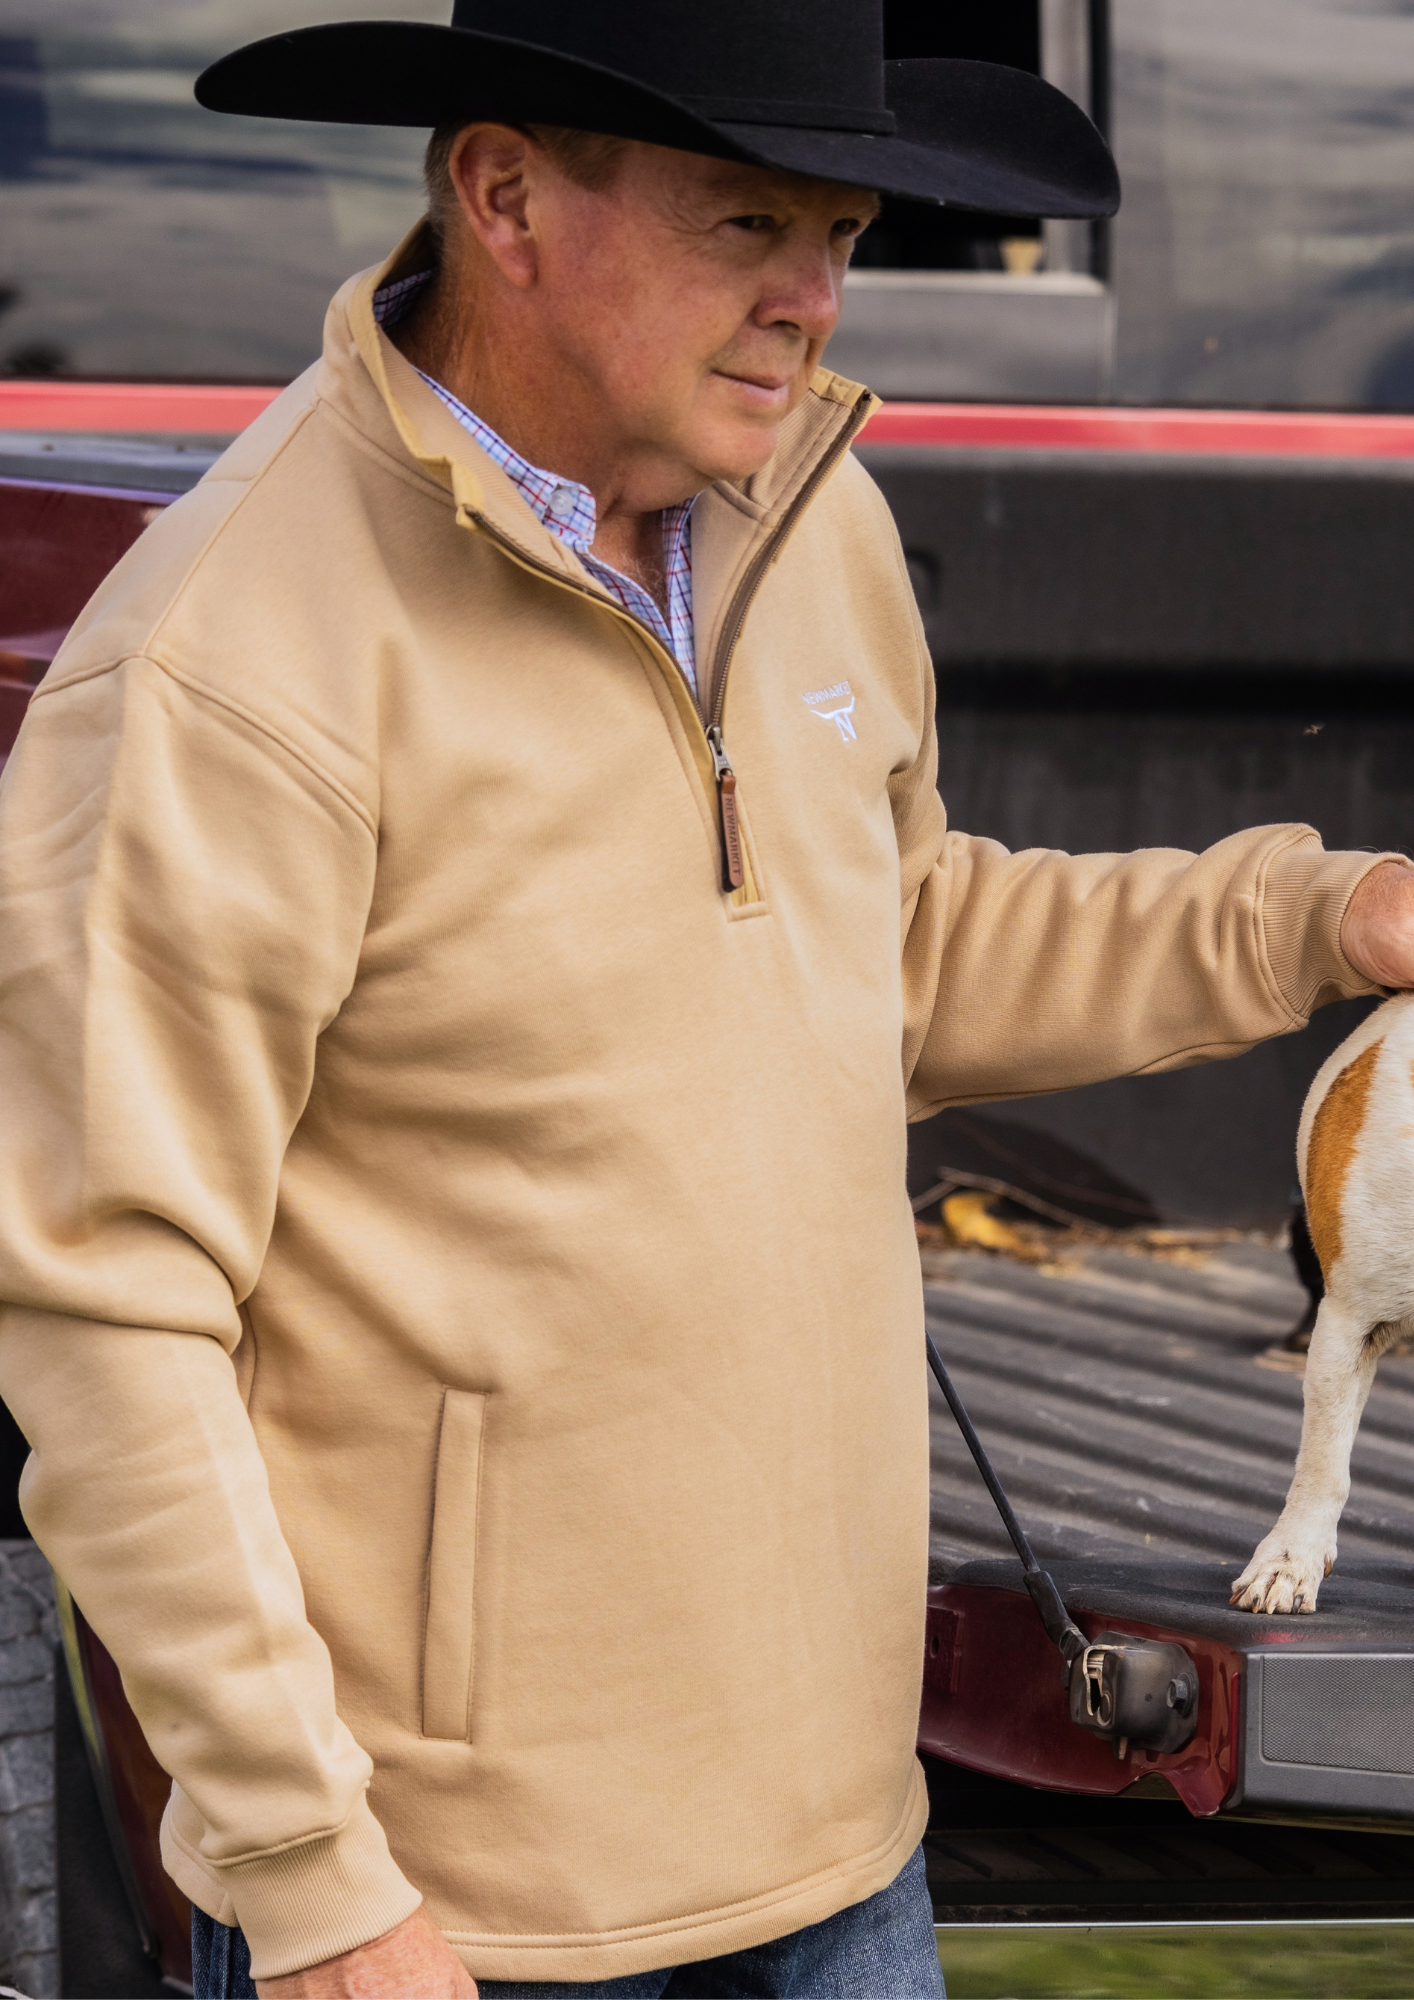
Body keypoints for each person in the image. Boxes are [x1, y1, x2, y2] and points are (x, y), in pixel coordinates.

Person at [1, 3, 1411, 1996]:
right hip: (465, 1918)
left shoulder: (802, 514)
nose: (811, 301)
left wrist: (1323, 916)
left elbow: (884, 946)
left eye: (839, 233)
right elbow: (105, 1309)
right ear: (502, 196)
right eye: (745, 222)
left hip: (839, 1856)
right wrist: (318, 1885)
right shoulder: (228, 664)